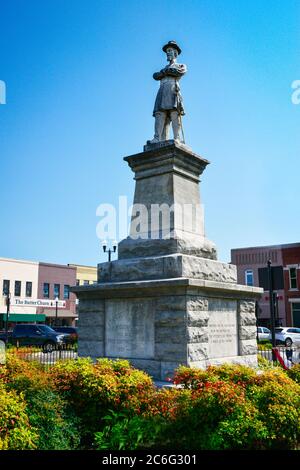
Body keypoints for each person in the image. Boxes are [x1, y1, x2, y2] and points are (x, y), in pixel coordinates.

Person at [151, 41, 187, 143]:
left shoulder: (180, 65)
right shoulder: (164, 69)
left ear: (175, 52)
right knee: (159, 113)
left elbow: (180, 71)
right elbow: (155, 76)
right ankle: (157, 138)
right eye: (167, 51)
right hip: (162, 90)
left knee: (174, 112)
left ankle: (177, 137)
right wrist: (164, 72)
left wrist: (164, 73)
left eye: (170, 50)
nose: (168, 53)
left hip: (173, 88)